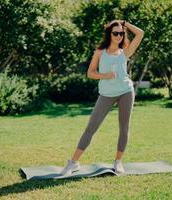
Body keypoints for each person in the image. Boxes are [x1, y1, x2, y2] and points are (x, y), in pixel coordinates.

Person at [61, 19, 144, 175]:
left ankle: (118, 162)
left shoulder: (125, 51)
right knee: (91, 127)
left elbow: (140, 33)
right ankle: (73, 163)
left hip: (126, 91)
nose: (119, 35)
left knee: (124, 127)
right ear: (109, 34)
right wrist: (105, 75)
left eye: (121, 33)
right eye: (115, 33)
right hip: (106, 94)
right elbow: (90, 73)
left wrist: (124, 23)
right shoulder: (100, 52)